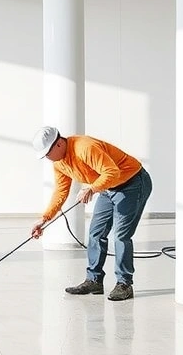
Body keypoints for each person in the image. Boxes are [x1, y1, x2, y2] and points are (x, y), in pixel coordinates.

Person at [30, 126, 152, 301]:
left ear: (58, 144)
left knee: (121, 235)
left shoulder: (84, 148)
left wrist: (92, 188)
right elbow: (61, 191)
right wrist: (44, 219)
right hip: (108, 187)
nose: (47, 159)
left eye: (47, 154)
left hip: (132, 183)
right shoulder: (59, 163)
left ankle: (124, 284)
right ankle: (94, 280)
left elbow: (112, 171)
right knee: (96, 233)